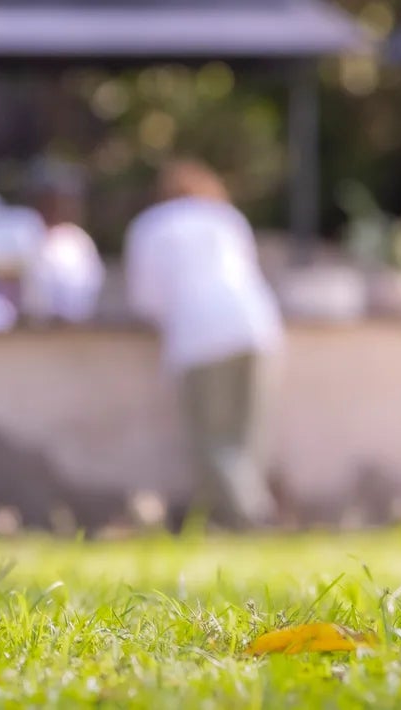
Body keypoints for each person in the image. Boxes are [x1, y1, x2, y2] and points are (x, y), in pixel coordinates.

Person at [122, 158, 285, 528]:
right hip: (258, 327)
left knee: (214, 441)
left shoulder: (151, 227)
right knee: (246, 439)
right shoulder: (226, 218)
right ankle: (237, 517)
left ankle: (253, 518)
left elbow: (146, 299)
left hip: (199, 337)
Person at [19, 158, 105, 324]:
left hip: (71, 330)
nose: (56, 206)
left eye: (62, 200)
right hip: (26, 330)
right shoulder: (24, 231)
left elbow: (89, 286)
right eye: (49, 199)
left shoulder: (78, 240)